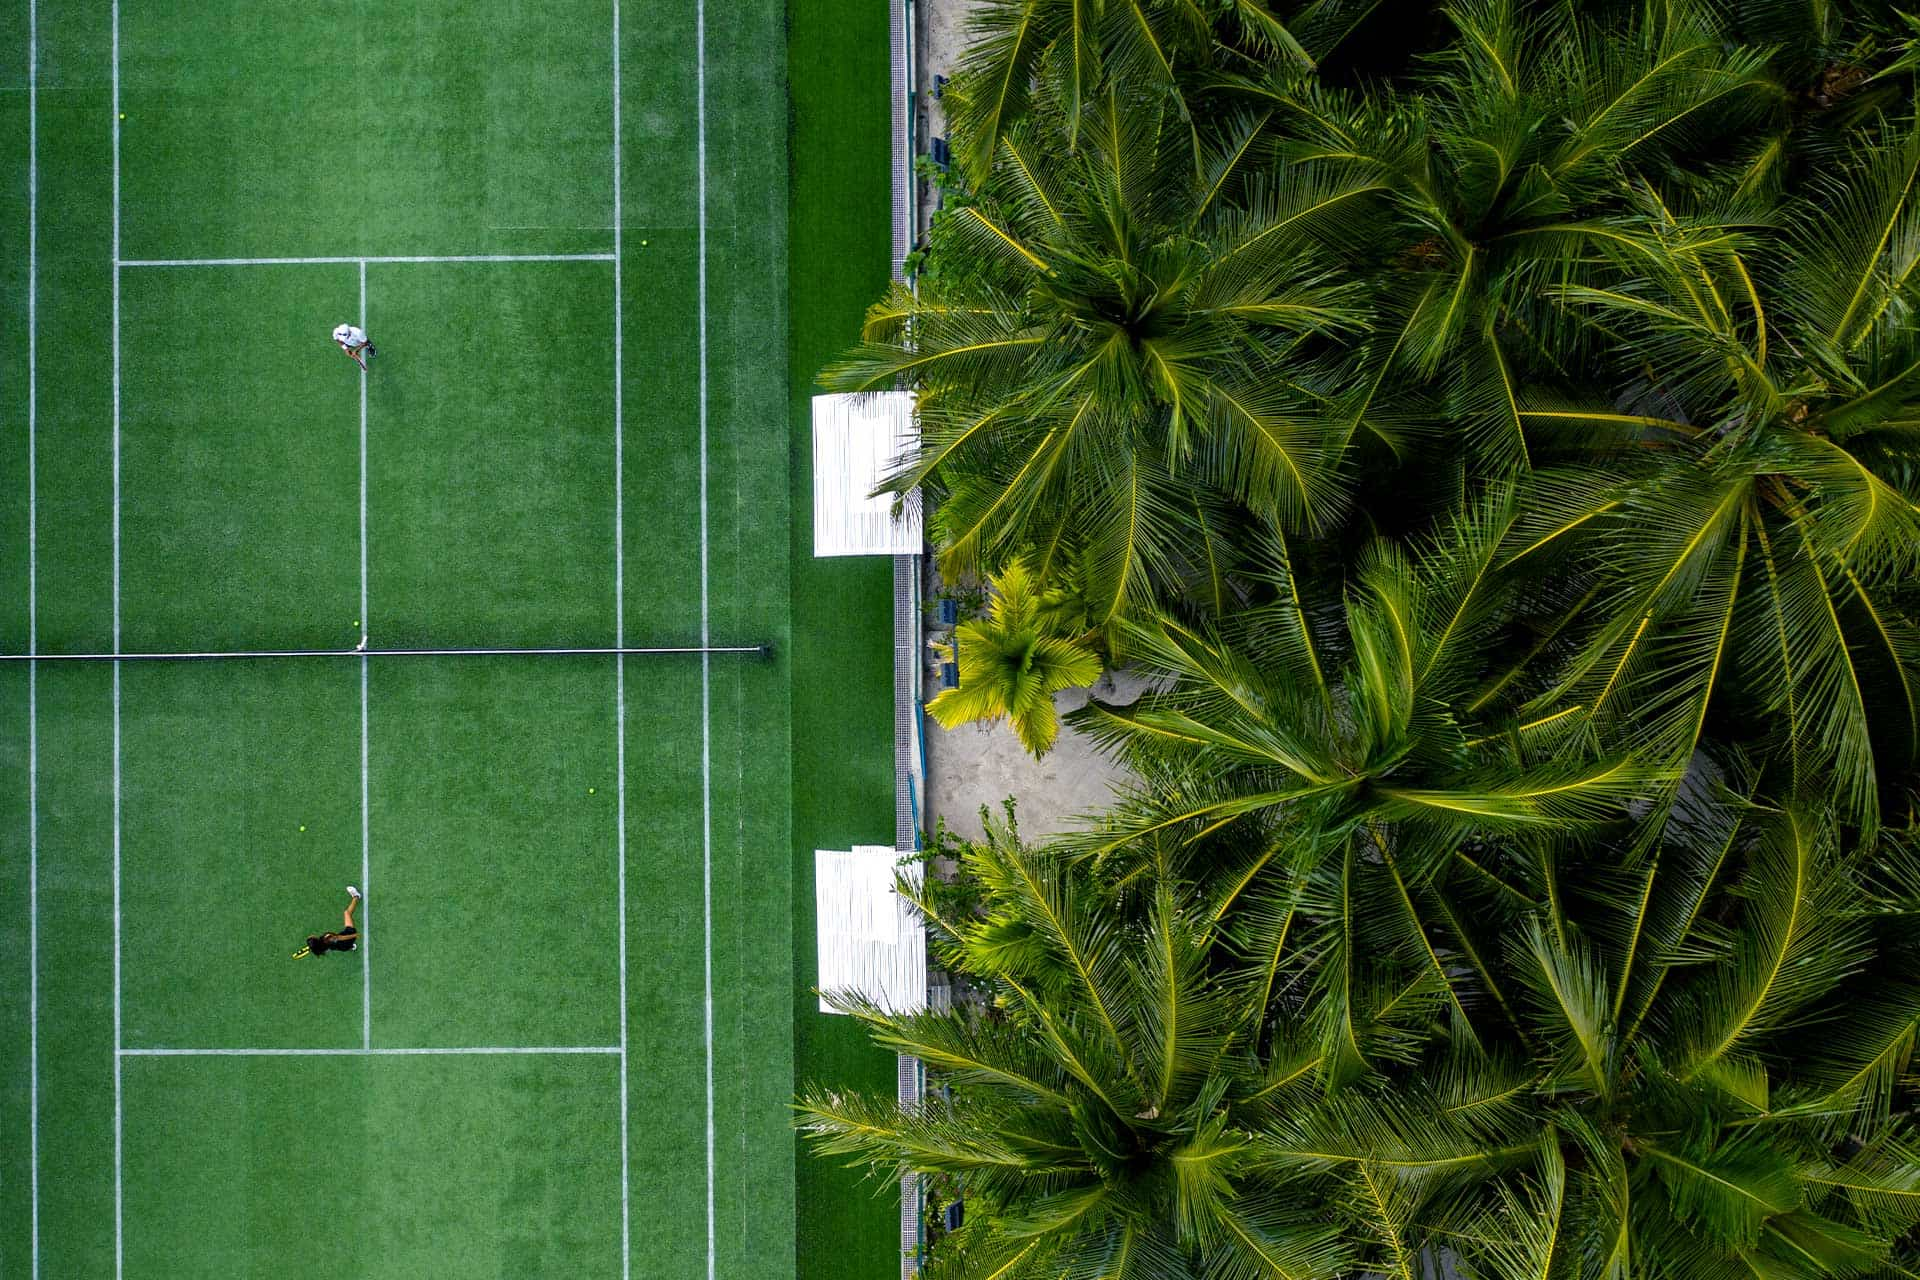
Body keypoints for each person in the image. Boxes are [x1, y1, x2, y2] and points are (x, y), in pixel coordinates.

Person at [296, 886, 362, 959]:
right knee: (347, 913)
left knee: (342, 945)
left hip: (343, 948)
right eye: (311, 937)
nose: (311, 935)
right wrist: (354, 935)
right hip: (348, 936)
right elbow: (341, 937)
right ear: (315, 938)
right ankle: (356, 896)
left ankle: (351, 946)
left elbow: (326, 946)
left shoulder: (321, 948)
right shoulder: (327, 937)